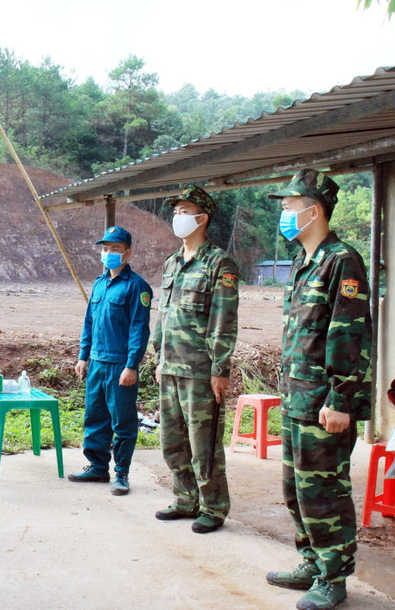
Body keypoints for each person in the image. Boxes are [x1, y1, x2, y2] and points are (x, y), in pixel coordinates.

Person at [265, 169, 372, 610]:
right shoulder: (302, 262)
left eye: (290, 206)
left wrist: (341, 399)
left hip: (325, 403)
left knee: (324, 492)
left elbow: (348, 335)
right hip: (297, 398)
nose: (285, 214)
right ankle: (311, 561)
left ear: (313, 210)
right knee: (296, 489)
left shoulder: (342, 260)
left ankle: (334, 578)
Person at [151, 185, 239, 534]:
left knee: (204, 444)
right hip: (170, 366)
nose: (178, 217)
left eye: (185, 211)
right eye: (176, 211)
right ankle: (185, 498)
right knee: (172, 440)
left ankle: (213, 507)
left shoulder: (220, 263)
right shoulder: (172, 262)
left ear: (202, 218)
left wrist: (220, 368)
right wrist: (158, 357)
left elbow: (223, 318)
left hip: (201, 371)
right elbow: (164, 313)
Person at [72, 226, 153, 496]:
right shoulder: (99, 283)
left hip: (120, 365)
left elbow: (139, 329)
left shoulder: (137, 287)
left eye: (115, 249)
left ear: (127, 253)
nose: (108, 254)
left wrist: (132, 365)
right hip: (96, 362)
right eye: (105, 249)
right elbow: (89, 323)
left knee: (123, 421)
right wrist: (83, 356)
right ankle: (97, 467)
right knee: (95, 417)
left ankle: (122, 473)